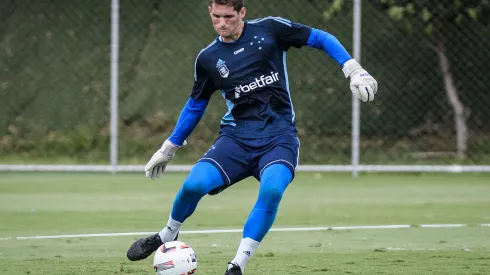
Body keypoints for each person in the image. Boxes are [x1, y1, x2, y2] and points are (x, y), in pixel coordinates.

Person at [126, 0, 378, 274]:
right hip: (236, 138)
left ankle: (237, 265)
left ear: (242, 13)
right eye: (216, 16)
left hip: (279, 137)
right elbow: (196, 104)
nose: (222, 23)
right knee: (193, 186)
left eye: (229, 16)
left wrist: (352, 68)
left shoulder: (270, 30)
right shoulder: (208, 58)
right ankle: (167, 234)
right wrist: (169, 146)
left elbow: (319, 37)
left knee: (271, 191)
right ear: (210, 13)